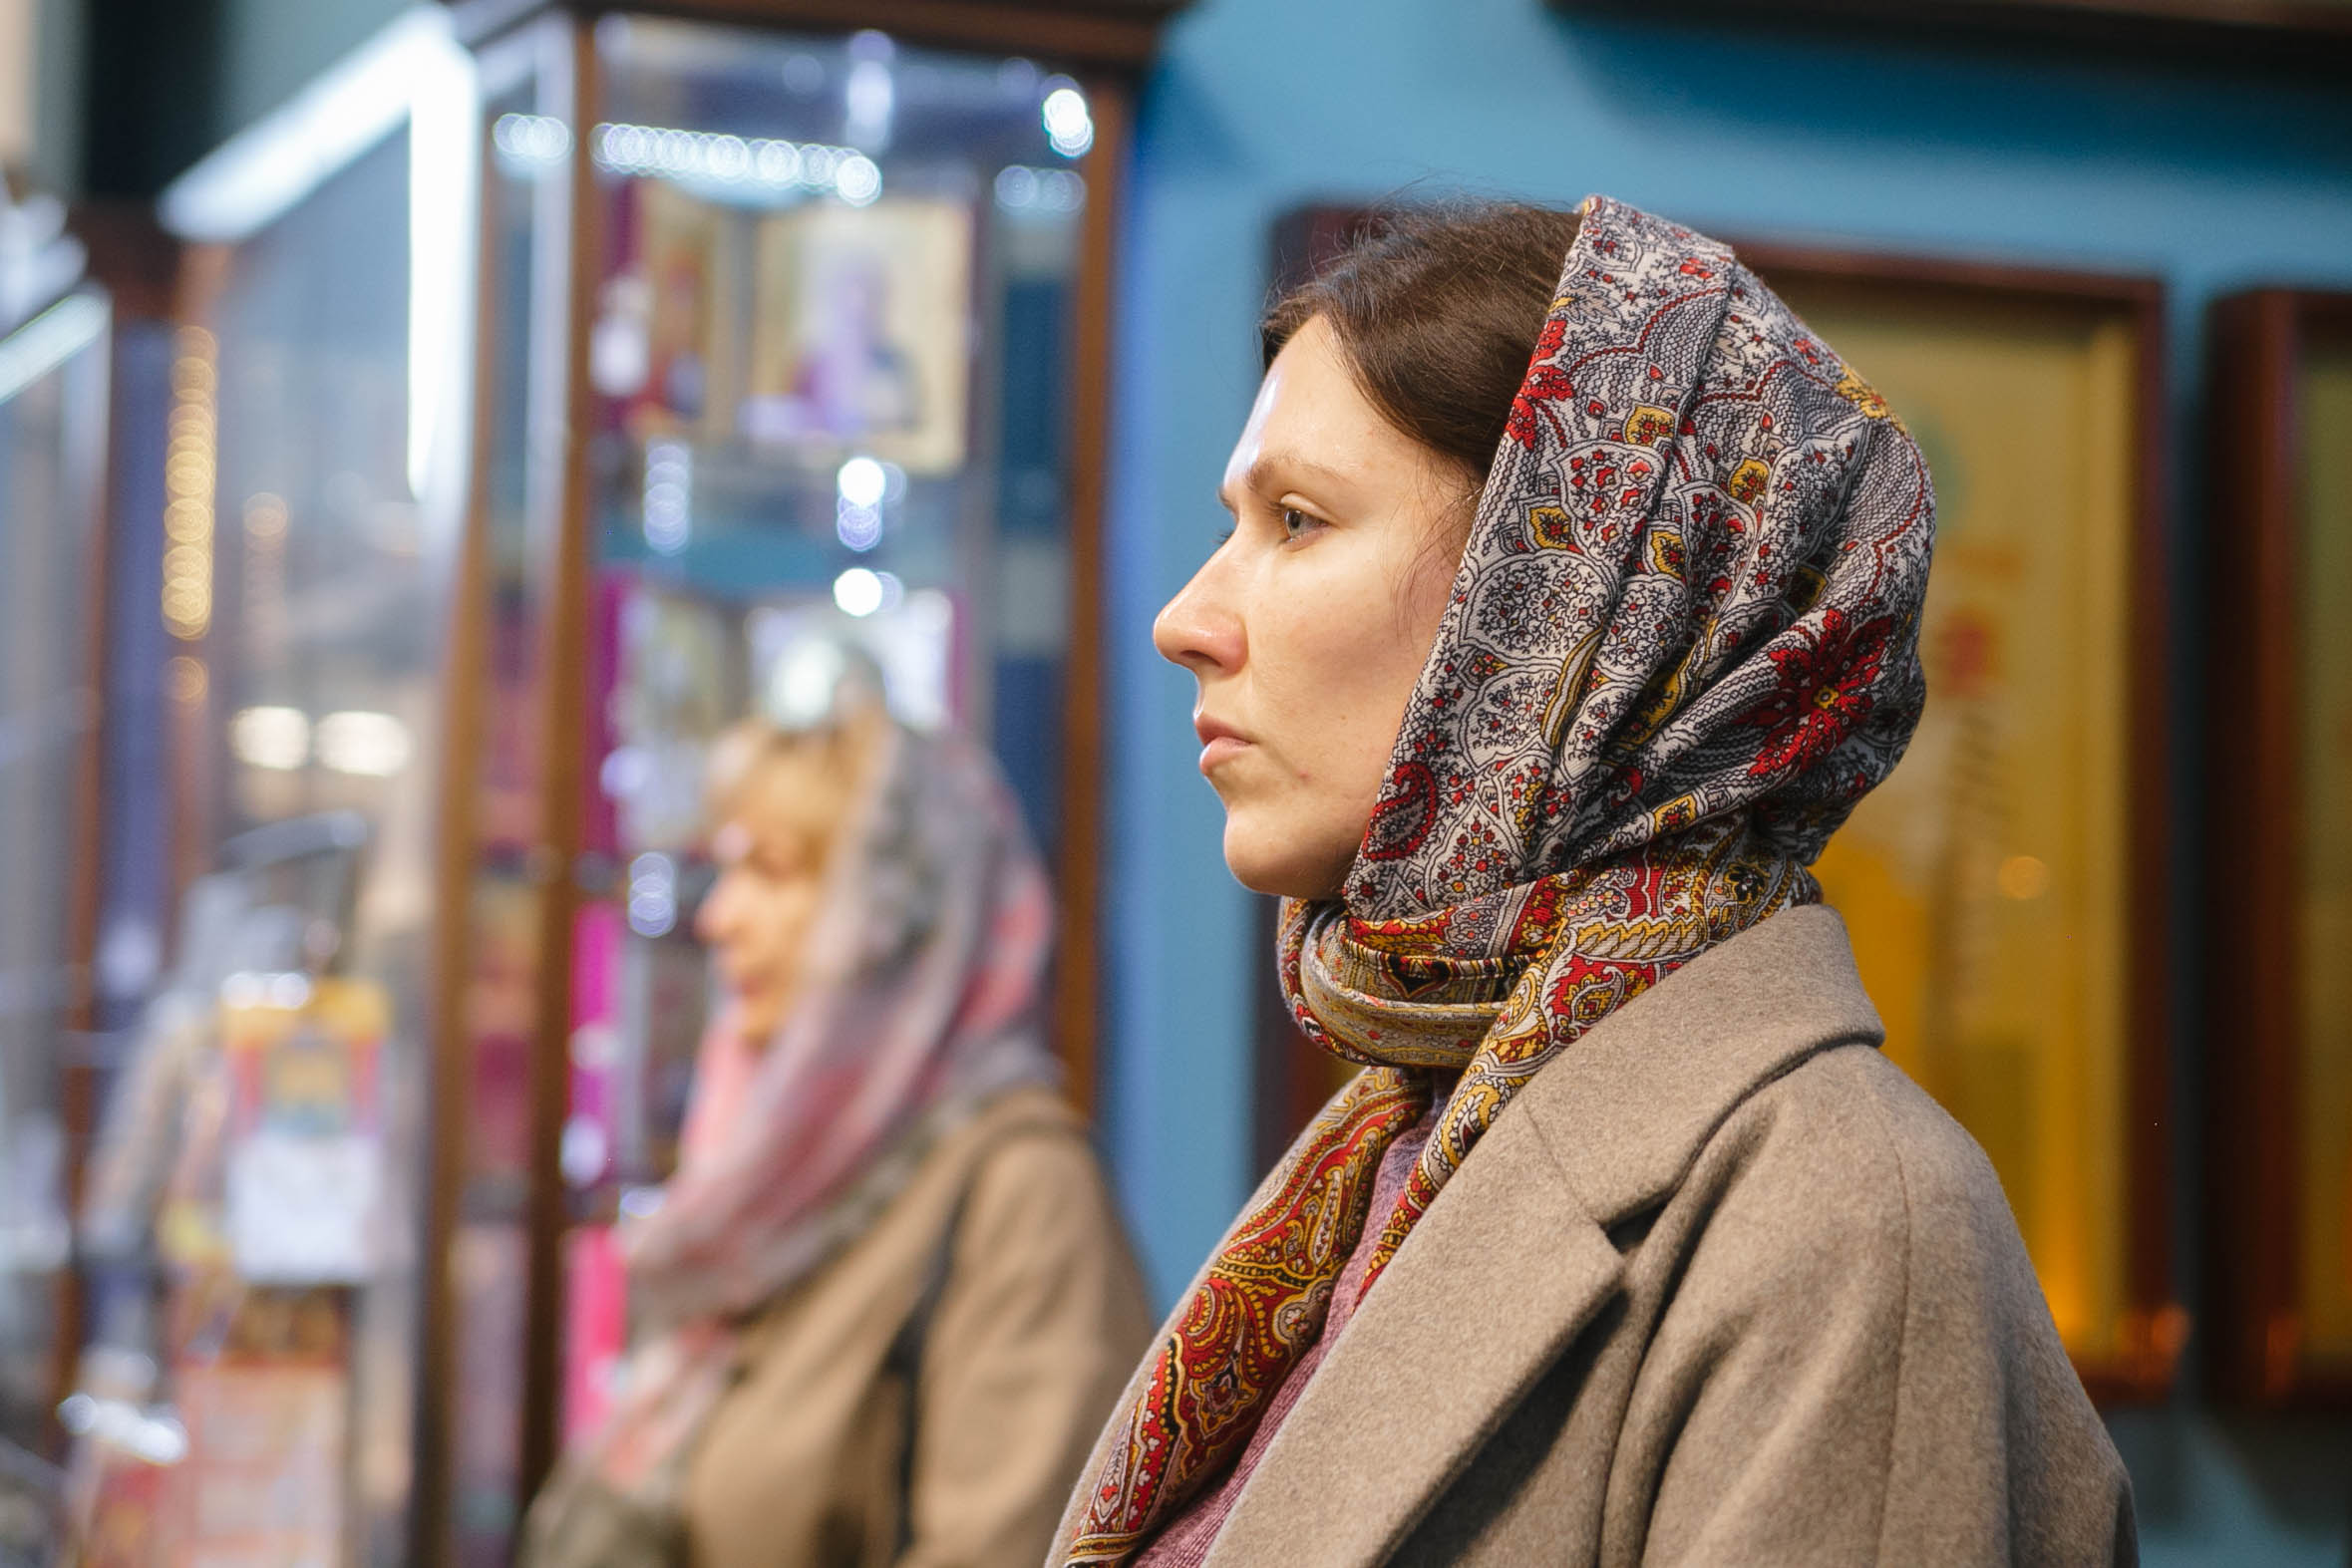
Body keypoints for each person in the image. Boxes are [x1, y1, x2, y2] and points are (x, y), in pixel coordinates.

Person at [1052, 196, 2134, 1566]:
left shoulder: (1842, 1217)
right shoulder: (1403, 1136)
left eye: (1298, 520)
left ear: (1567, 600)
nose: (1185, 620)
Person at [525, 645, 1152, 1568]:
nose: (719, 918)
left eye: (773, 872)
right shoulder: (777, 1188)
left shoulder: (1021, 1191)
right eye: (726, 869)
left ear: (902, 922)